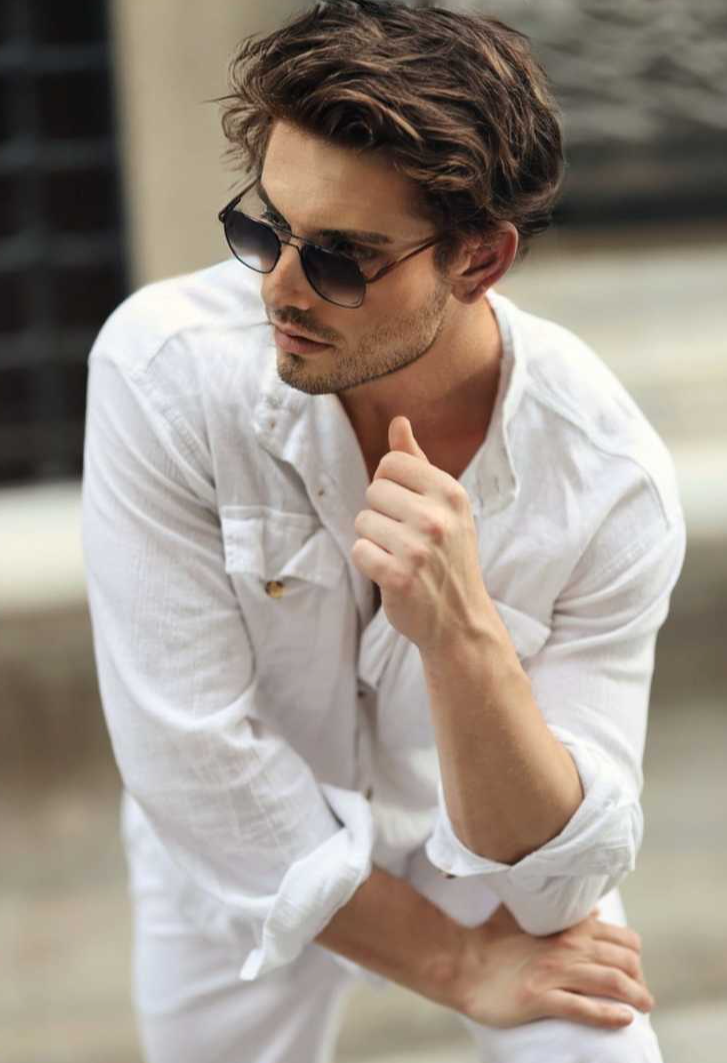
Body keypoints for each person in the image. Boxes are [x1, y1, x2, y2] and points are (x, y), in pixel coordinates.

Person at [81, 2, 685, 1060]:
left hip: (471, 843)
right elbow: (191, 757)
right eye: (263, 228)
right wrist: (455, 966)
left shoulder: (604, 482)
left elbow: (561, 874)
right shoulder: (165, 372)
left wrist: (462, 636)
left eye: (341, 258)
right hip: (242, 849)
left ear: (478, 262)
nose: (278, 288)